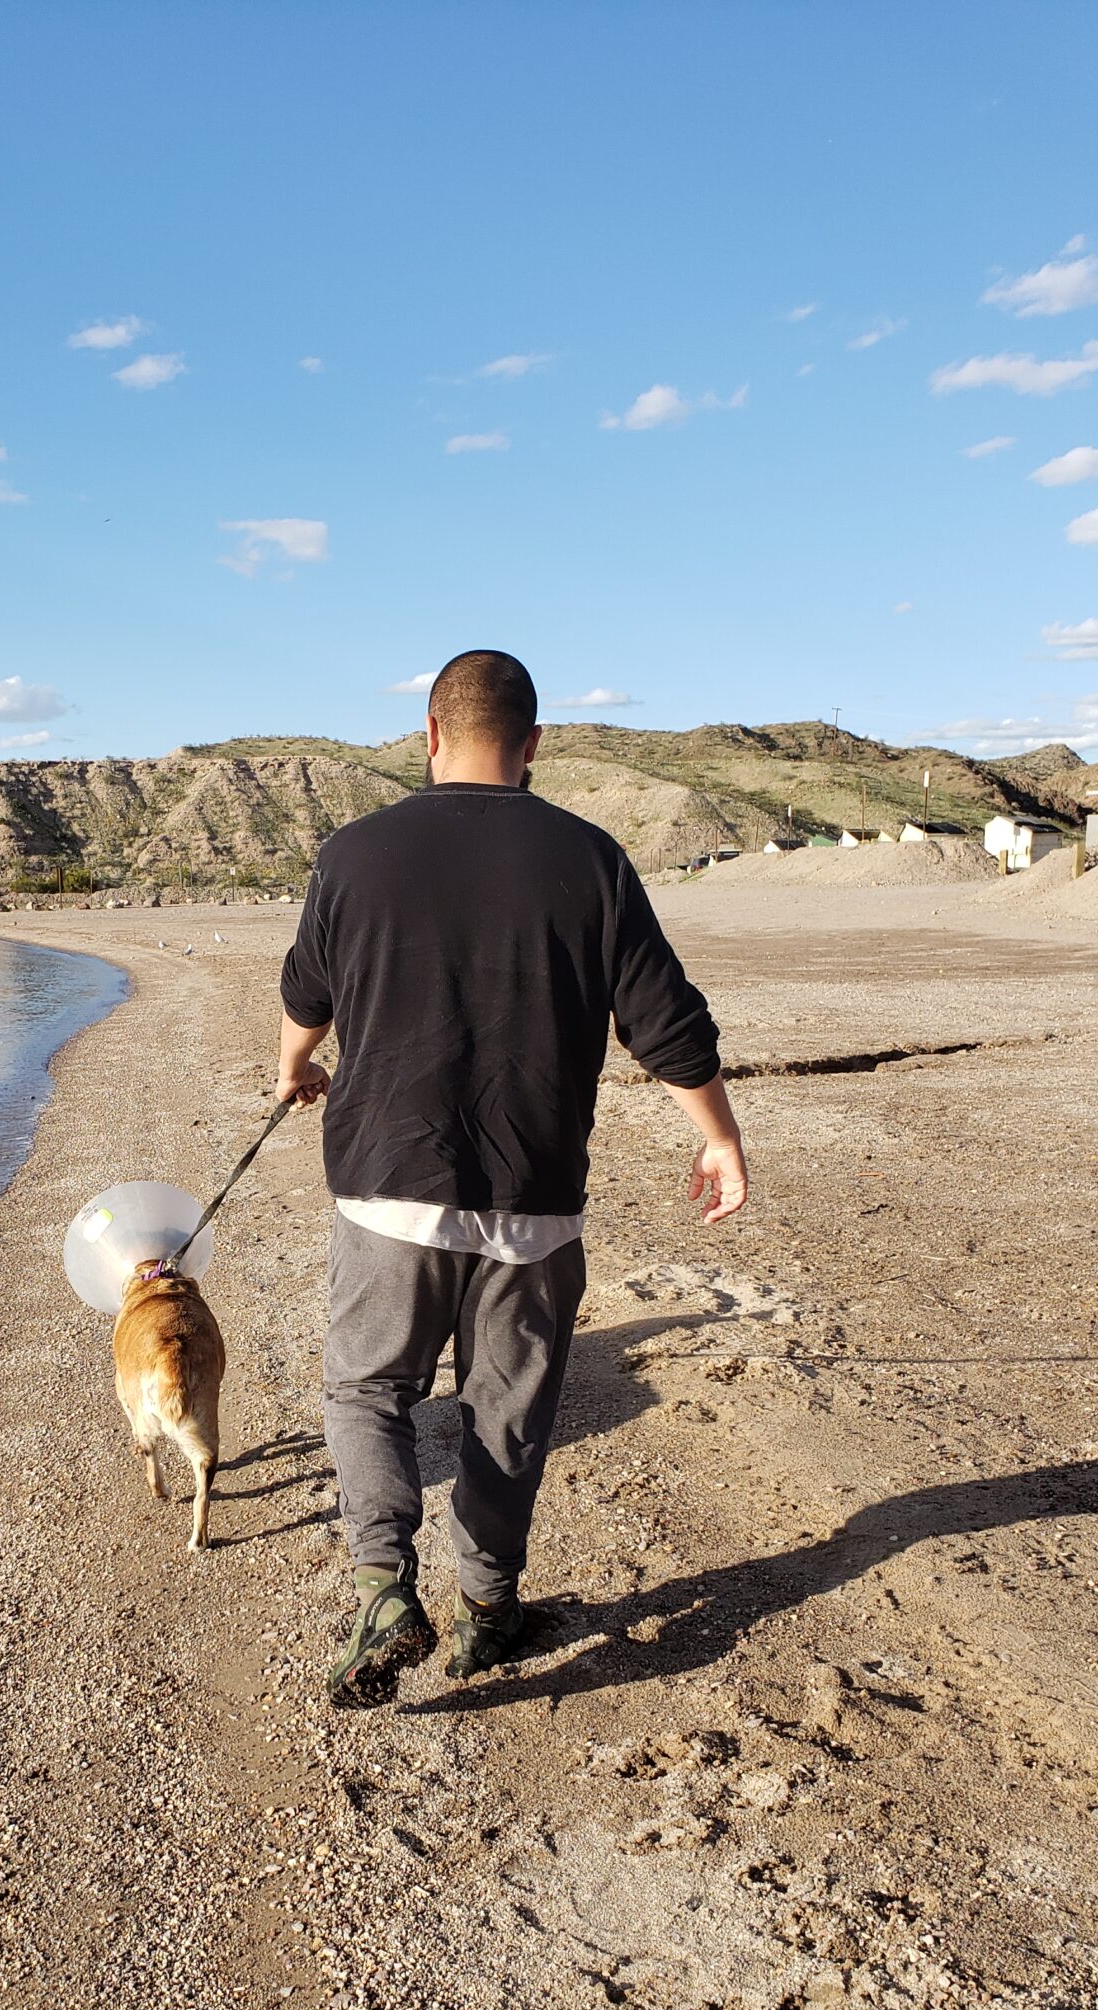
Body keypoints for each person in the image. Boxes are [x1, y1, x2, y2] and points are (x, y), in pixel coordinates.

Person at [276, 648, 747, 1704]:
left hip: (387, 1184)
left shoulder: (354, 854)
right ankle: (490, 1609)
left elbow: (309, 992)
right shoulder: (590, 857)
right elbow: (666, 1021)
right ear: (533, 745)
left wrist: (292, 1068)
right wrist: (719, 1137)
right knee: (507, 1407)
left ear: (428, 735)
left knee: (370, 1388)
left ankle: (382, 1587)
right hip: (532, 1195)